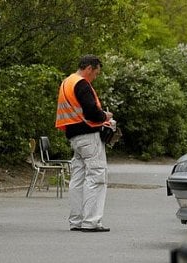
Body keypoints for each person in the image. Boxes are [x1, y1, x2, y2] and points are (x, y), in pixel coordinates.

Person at [55, 54, 113, 232]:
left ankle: (76, 221)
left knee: (77, 179)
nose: (95, 77)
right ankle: (91, 221)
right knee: (96, 177)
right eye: (96, 73)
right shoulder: (82, 84)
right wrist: (105, 116)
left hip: (75, 138)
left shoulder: (67, 82)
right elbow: (91, 112)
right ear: (89, 68)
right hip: (89, 136)